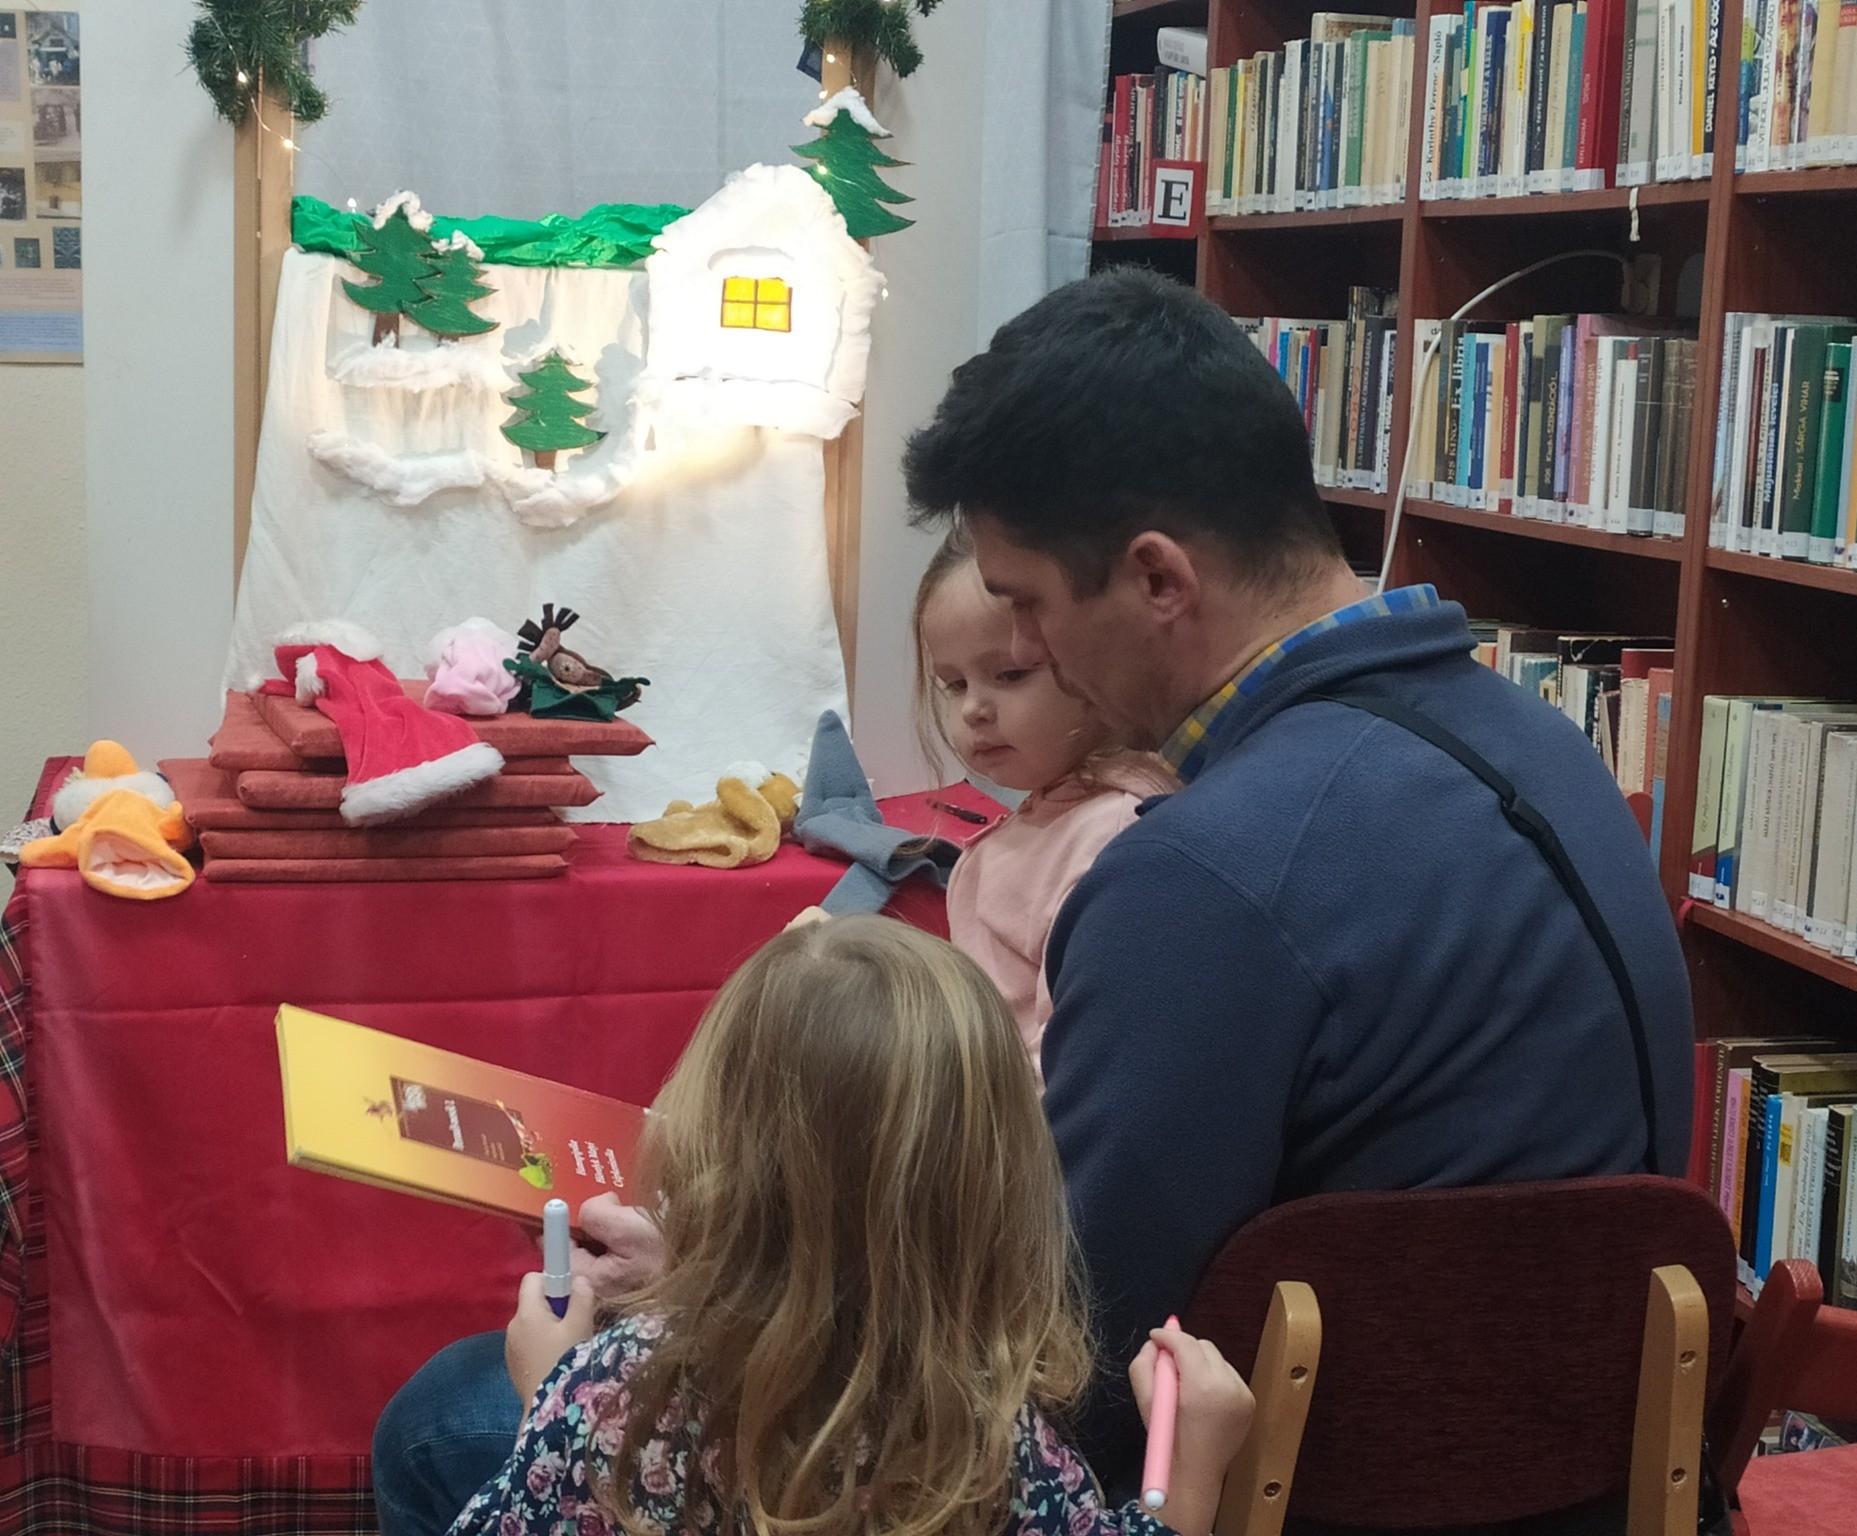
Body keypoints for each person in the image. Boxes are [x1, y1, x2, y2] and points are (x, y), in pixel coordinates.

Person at [898, 267, 1695, 1489]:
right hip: (1599, 1491)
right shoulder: (1550, 750)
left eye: (1027, 606)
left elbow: (1064, 1357)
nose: (1023, 649)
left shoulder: (1198, 876)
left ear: (1159, 580)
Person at [378, 918, 1254, 1536]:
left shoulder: (609, 1397)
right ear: (997, 1191)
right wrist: (1189, 1475)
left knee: (426, 1423)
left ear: (709, 1150)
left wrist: (548, 1394)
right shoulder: (992, 1445)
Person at [914, 524, 1178, 1076]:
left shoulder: (1110, 837)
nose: (973, 710)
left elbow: (1067, 1066)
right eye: (955, 685)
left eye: (1009, 674)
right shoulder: (1046, 816)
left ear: (1089, 661)